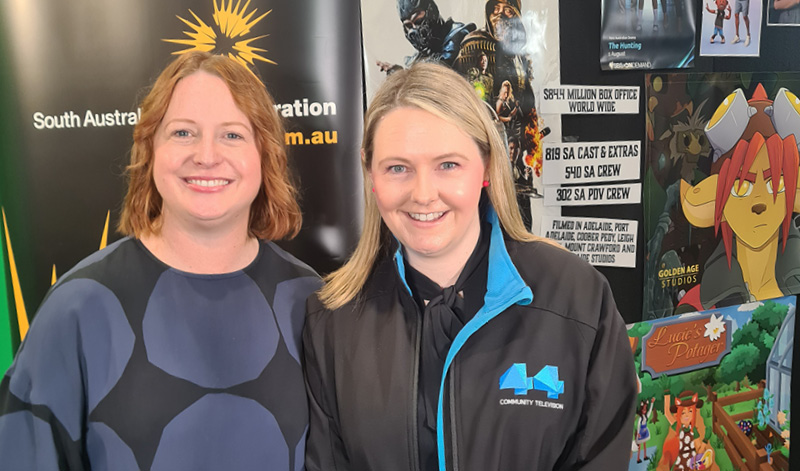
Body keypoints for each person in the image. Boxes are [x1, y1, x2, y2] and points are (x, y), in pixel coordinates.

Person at [303, 62, 636, 471]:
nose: (423, 194)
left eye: (448, 165)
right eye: (397, 168)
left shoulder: (579, 299)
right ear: (371, 174)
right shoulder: (332, 321)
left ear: (485, 167)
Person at [0, 52, 320, 470]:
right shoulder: (78, 308)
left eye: (233, 135)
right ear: (150, 149)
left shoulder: (311, 301)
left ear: (265, 154)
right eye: (183, 132)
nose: (206, 155)